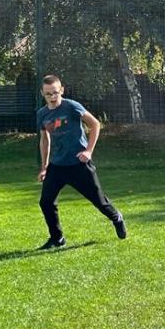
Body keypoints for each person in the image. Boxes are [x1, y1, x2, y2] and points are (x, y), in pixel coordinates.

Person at [35, 75, 126, 249]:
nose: (52, 97)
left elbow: (95, 124)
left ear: (62, 90)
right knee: (46, 202)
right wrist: (44, 167)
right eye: (48, 94)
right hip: (57, 166)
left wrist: (88, 151)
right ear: (42, 94)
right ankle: (57, 238)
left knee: (99, 201)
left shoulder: (71, 106)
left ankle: (116, 217)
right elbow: (44, 140)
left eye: (55, 93)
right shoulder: (42, 114)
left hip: (78, 164)